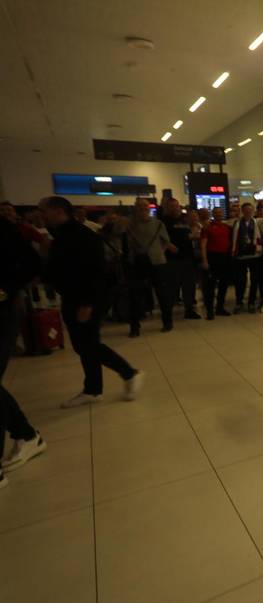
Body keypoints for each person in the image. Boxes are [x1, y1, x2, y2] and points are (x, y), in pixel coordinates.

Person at [40, 196, 144, 408]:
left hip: (86, 299)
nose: (42, 216)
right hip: (74, 297)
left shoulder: (82, 236)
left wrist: (87, 303)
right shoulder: (62, 235)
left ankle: (128, 373)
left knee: (86, 344)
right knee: (84, 344)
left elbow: (95, 271)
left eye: (45, 211)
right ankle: (93, 389)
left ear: (58, 211)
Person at [0, 212, 46, 488]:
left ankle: (26, 435)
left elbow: (31, 262)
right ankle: (26, 434)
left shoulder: (5, 229)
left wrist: (9, 289)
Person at [126, 198, 173, 336]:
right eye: (140, 207)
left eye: (145, 207)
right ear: (135, 209)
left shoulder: (158, 223)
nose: (143, 210)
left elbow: (166, 241)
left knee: (162, 294)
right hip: (139, 263)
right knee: (136, 296)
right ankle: (134, 326)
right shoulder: (130, 225)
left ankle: (167, 322)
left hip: (157, 262)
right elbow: (128, 244)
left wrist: (158, 252)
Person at [161, 198, 201, 320]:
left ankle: (189, 309)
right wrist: (168, 245)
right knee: (172, 286)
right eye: (171, 206)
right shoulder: (163, 221)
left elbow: (194, 230)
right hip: (172, 259)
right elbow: (159, 237)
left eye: (176, 206)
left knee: (189, 285)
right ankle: (167, 312)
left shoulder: (185, 219)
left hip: (188, 257)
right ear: (167, 207)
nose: (174, 208)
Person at [200, 207, 233, 319]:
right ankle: (210, 310)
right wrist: (204, 260)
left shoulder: (227, 227)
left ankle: (220, 308)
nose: (218, 215)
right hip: (212, 257)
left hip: (225, 258)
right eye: (216, 213)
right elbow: (203, 245)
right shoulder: (207, 228)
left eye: (220, 213)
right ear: (213, 214)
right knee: (210, 286)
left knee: (223, 285)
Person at [231, 202, 261, 313]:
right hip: (240, 255)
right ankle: (239, 302)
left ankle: (251, 302)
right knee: (240, 281)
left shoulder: (257, 222)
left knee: (254, 280)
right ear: (242, 211)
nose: (248, 212)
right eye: (246, 210)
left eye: (250, 210)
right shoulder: (236, 223)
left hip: (254, 255)